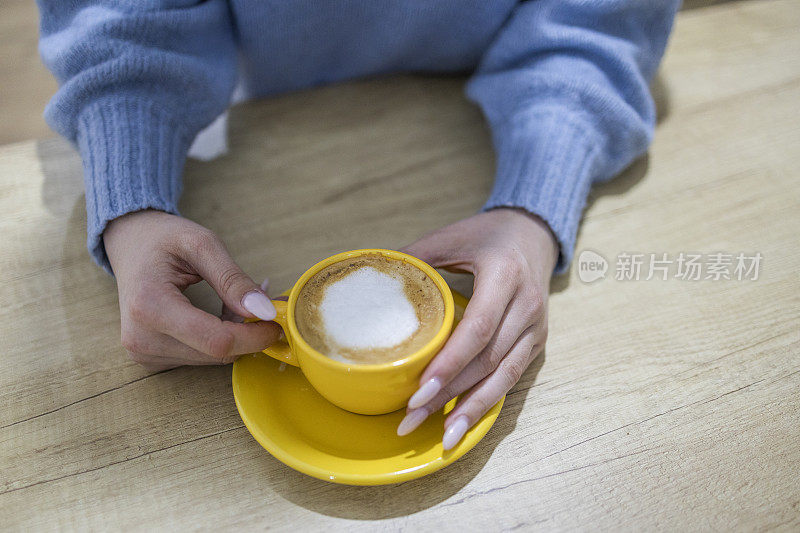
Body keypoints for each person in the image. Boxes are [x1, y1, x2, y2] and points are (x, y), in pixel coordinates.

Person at [38, 0, 679, 450]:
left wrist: (534, 211)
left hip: (487, 134)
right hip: (272, 124)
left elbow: (597, 24)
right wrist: (132, 205)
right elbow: (125, 17)